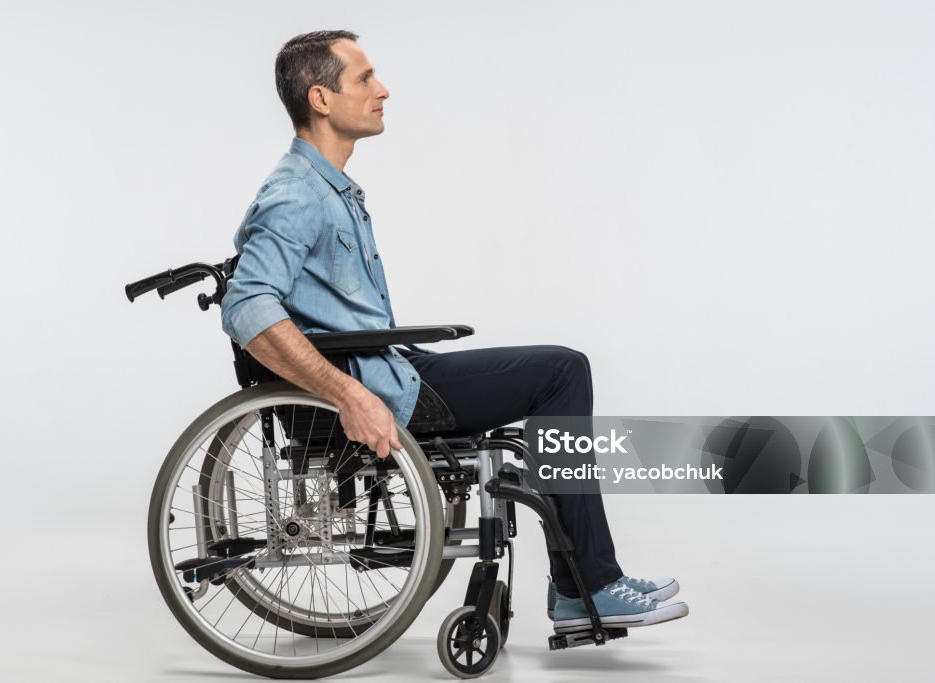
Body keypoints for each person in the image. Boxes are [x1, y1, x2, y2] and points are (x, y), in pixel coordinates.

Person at [220, 30, 688, 631]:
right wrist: (350, 396)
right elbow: (249, 309)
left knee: (558, 373)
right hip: (383, 389)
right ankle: (589, 586)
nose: (382, 90)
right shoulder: (296, 195)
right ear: (321, 98)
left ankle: (586, 584)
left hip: (394, 367)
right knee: (561, 373)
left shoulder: (331, 190)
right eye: (364, 79)